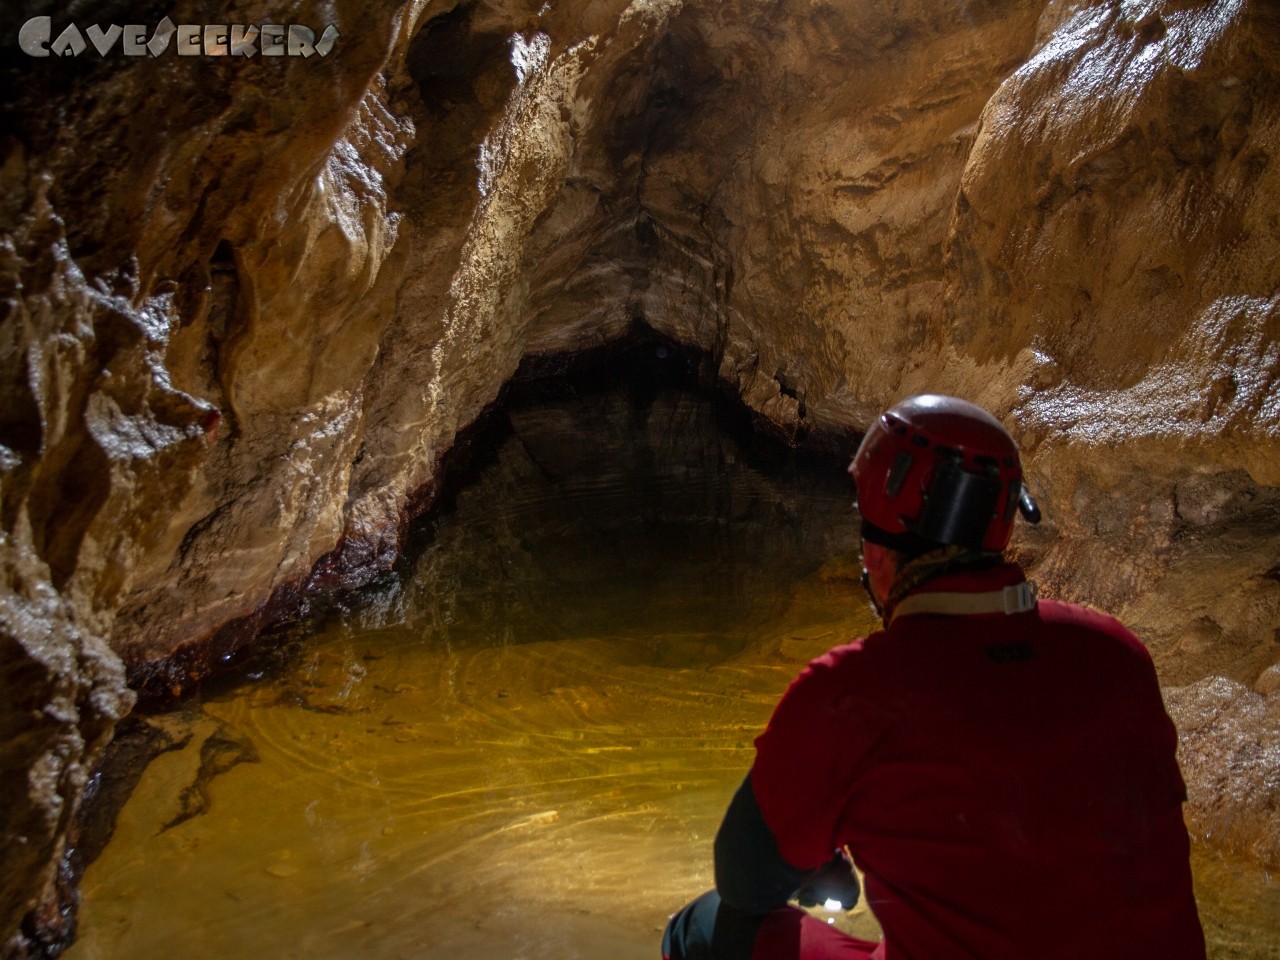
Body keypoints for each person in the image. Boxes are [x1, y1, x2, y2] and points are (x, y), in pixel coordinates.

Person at [662, 394, 1206, 960]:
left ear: (874, 553)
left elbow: (745, 880)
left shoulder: (851, 695)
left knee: (702, 930)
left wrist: (818, 862)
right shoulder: (1116, 654)